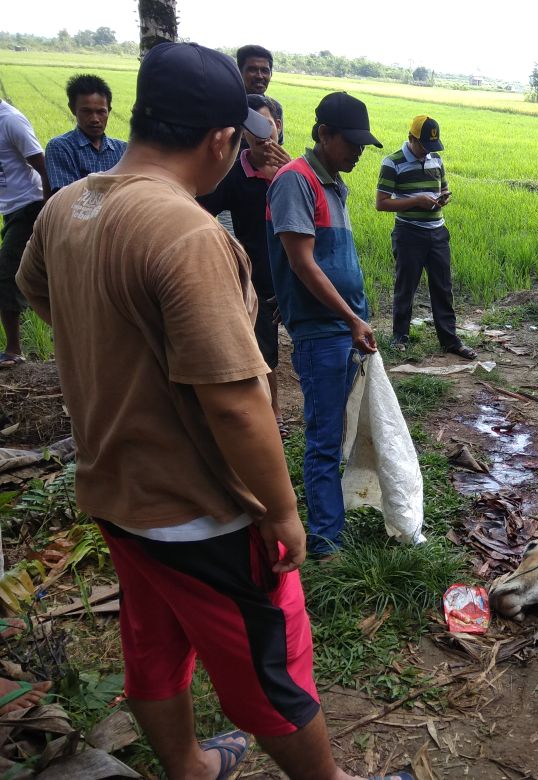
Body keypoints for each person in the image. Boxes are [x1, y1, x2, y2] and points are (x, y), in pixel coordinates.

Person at [19, 42, 401, 780]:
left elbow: (44, 297)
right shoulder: (186, 232)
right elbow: (234, 403)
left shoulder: (69, 204)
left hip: (116, 487)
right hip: (203, 510)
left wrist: (123, 360)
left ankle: (188, 765)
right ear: (223, 140)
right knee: (269, 659)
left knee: (153, 632)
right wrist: (282, 512)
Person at [267, 92, 381, 559]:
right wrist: (351, 317)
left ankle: (336, 521)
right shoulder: (297, 180)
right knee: (325, 439)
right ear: (323, 134)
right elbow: (302, 262)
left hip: (342, 323)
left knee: (345, 430)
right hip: (325, 330)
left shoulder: (333, 182)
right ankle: (326, 541)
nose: (358, 150)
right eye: (350, 141)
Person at [198, 94, 291, 437]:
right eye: (252, 129)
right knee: (264, 351)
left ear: (278, 126)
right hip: (260, 276)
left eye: (268, 125)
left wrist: (288, 171)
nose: (262, 136)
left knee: (315, 342)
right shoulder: (235, 172)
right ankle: (274, 410)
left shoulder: (295, 171)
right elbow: (201, 213)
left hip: (299, 273)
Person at [376, 115, 477, 359]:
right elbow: (381, 203)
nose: (427, 152)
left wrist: (443, 197)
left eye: (432, 147)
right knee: (405, 287)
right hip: (408, 233)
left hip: (438, 232)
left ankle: (449, 340)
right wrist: (417, 201)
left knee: (443, 287)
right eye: (423, 146)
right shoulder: (392, 162)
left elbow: (443, 188)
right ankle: (400, 337)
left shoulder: (436, 159)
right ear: (411, 138)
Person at [0, 98, 50, 370]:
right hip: (10, 210)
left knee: (6, 273)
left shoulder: (10, 121)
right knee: (27, 274)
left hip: (29, 207)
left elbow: (43, 168)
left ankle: (13, 350)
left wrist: (45, 215)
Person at [44, 75, 127, 193]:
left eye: (101, 112)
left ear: (109, 110)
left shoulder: (122, 149)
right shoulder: (61, 147)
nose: (95, 119)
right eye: (86, 111)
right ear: (73, 109)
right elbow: (66, 197)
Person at [237, 45, 284, 144]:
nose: (259, 76)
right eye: (252, 70)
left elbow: (277, 147)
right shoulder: (228, 105)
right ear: (239, 72)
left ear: (271, 74)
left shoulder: (275, 107)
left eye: (265, 71)